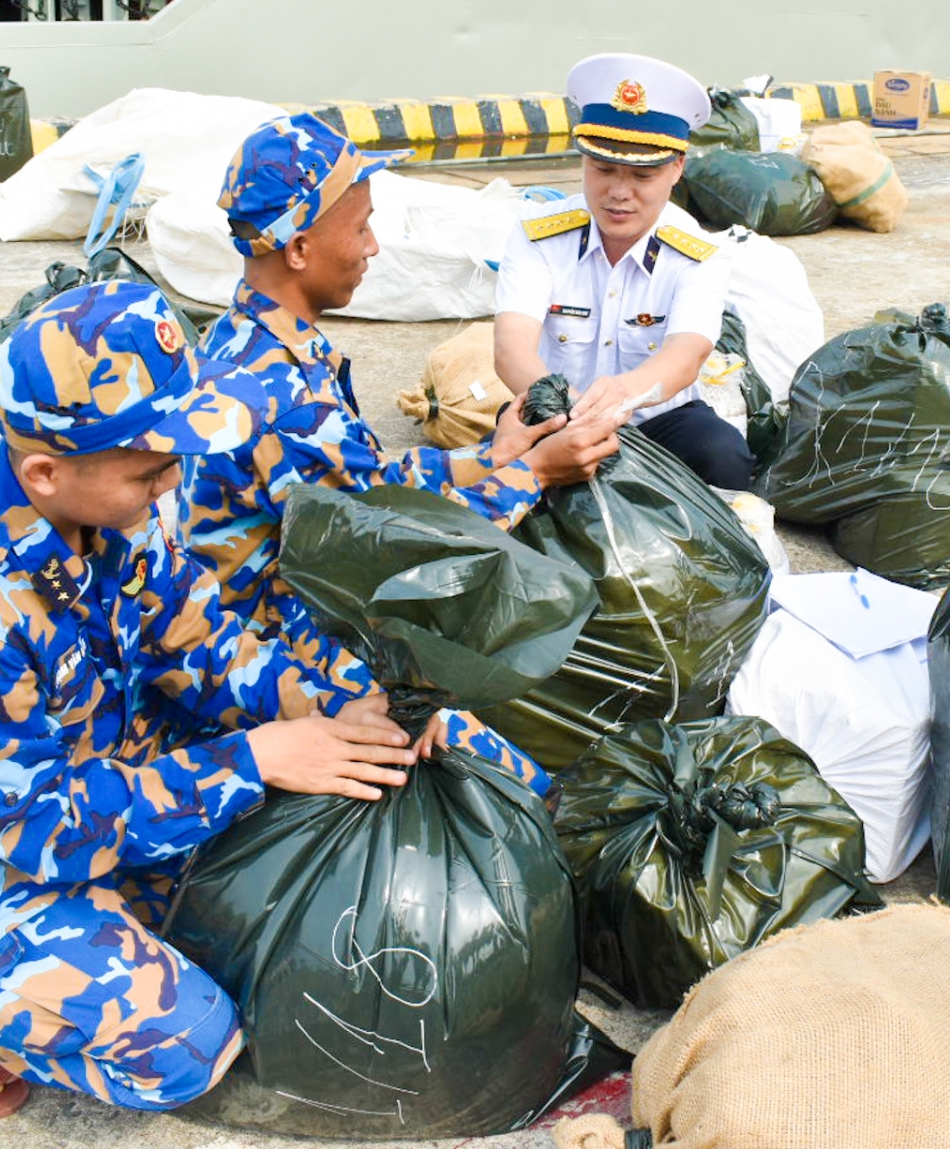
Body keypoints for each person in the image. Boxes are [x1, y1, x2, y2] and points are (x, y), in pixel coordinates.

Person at [0, 282, 421, 1120]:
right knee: (184, 1046)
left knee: (319, 862)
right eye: (150, 470)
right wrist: (255, 762)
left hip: (101, 775)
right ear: (44, 471)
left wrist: (328, 709)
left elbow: (206, 644)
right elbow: (41, 830)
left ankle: (119, 914)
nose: (173, 484)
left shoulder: (115, 508)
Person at [179, 113, 624, 794]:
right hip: (278, 651)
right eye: (359, 228)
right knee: (525, 793)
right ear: (298, 248)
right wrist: (533, 472)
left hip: (284, 615)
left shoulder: (250, 344)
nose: (374, 247)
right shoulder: (278, 395)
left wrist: (492, 454)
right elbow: (400, 544)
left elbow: (370, 482)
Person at [492, 52, 753, 490]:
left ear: (676, 169)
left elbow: (686, 356)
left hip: (658, 420)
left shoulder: (699, 252)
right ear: (583, 163)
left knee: (724, 457)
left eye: (641, 176)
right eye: (603, 169)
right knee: (497, 466)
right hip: (554, 410)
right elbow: (511, 349)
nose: (618, 193)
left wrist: (624, 395)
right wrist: (568, 413)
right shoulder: (537, 235)